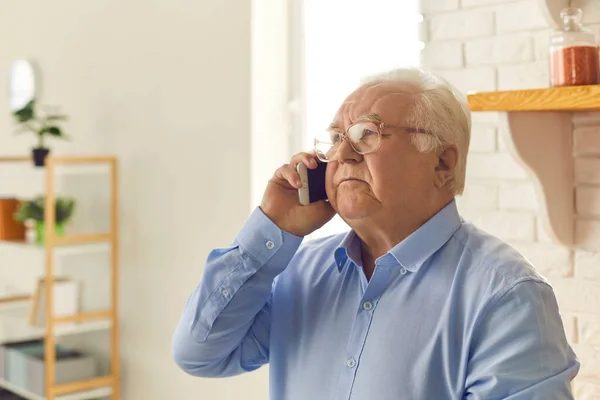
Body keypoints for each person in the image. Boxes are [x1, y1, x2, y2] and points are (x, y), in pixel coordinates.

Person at [172, 67, 579, 399]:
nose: (343, 154)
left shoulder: (506, 297)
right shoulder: (301, 271)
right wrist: (272, 227)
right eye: (335, 139)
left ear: (442, 162)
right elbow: (200, 353)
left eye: (367, 134)